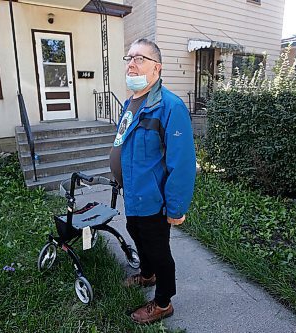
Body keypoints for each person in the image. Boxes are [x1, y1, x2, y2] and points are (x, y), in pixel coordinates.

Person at [109, 38, 196, 325]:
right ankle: (147, 275)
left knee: (159, 250)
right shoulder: (129, 103)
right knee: (135, 231)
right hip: (133, 193)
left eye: (140, 58)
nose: (132, 63)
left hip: (155, 199)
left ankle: (163, 302)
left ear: (156, 68)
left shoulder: (170, 107)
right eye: (129, 58)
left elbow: (181, 164)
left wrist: (175, 207)